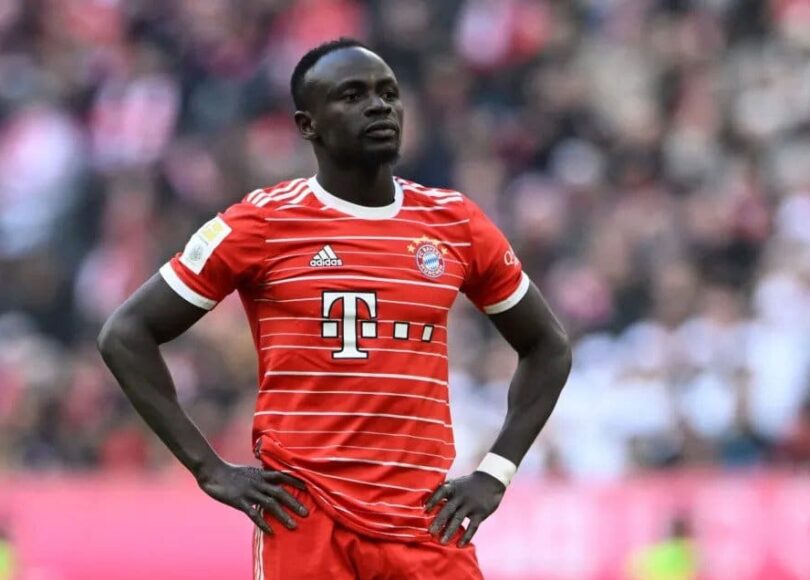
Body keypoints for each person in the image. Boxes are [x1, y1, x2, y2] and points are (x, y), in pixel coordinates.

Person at [98, 38, 571, 579]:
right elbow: (126, 334)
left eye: (388, 93)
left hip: (425, 523)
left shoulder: (454, 222)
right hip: (306, 520)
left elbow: (548, 347)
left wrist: (494, 473)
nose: (379, 107)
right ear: (308, 125)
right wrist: (209, 469)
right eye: (353, 95)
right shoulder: (262, 224)